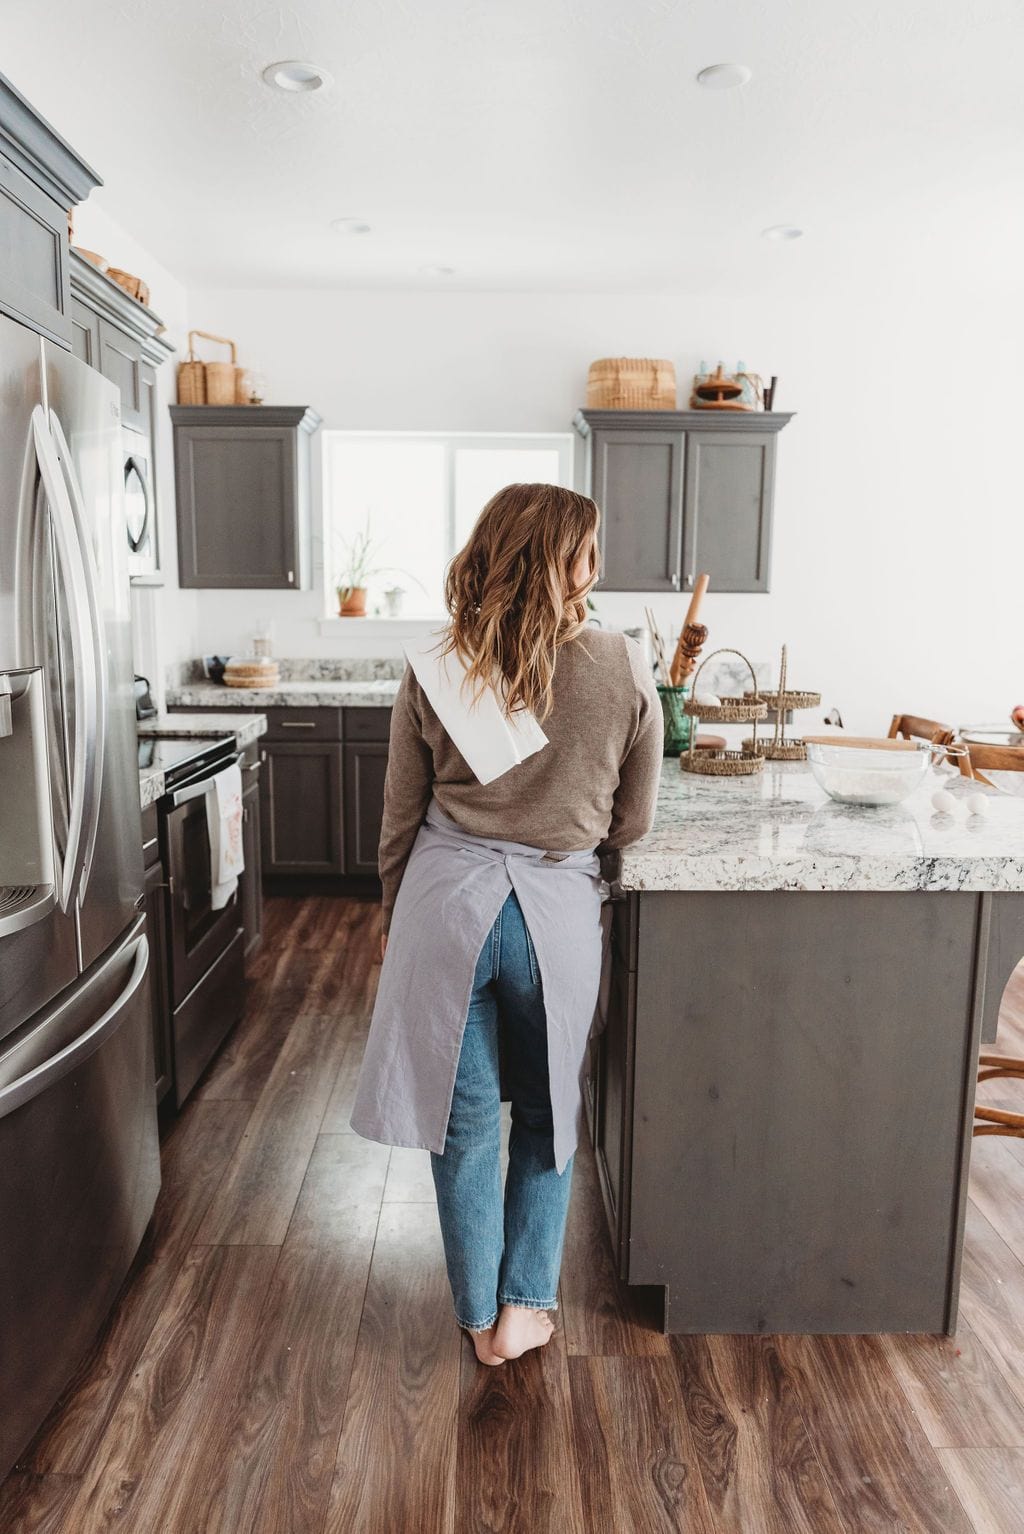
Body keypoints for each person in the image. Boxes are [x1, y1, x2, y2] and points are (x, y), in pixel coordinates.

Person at [349, 482, 663, 1366]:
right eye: (590, 550)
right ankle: (526, 1308)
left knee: (466, 1125)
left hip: (445, 909)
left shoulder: (439, 663)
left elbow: (398, 819)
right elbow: (632, 822)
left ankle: (480, 1318)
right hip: (554, 915)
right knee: (548, 1112)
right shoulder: (623, 663)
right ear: (574, 563)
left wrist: (393, 913)